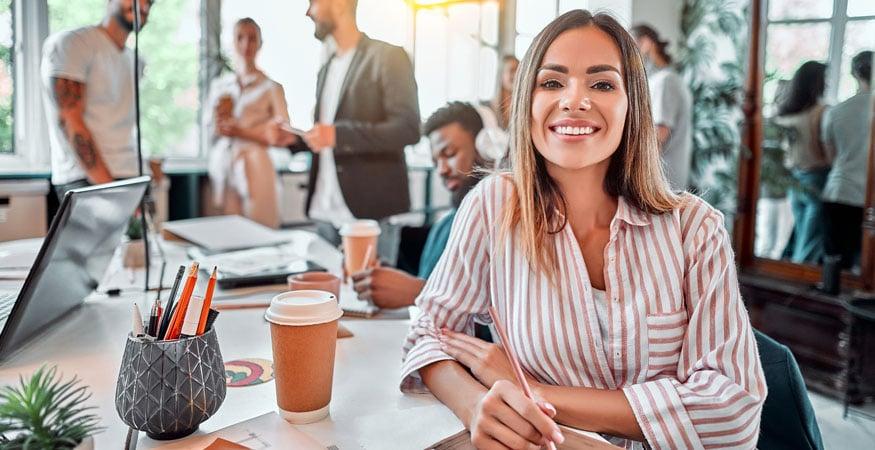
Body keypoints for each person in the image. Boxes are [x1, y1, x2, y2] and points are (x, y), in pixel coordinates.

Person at [400, 10, 766, 450]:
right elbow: (427, 334)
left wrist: (533, 394)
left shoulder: (695, 228)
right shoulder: (495, 205)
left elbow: (733, 413)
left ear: (633, 105)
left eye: (602, 84)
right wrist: (475, 405)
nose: (574, 100)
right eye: (552, 82)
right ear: (527, 104)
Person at [274, 0, 421, 246]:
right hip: (323, 210)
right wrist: (295, 141)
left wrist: (338, 136)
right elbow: (327, 138)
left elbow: (408, 128)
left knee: (371, 286)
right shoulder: (326, 68)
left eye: (313, 3)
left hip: (370, 213)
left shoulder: (388, 57)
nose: (308, 12)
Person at [350, 102, 489, 309]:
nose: (441, 170)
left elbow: (501, 321)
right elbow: (427, 283)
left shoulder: (501, 226)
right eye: (435, 162)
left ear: (484, 148)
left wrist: (419, 292)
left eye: (449, 153)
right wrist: (391, 282)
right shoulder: (444, 226)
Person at [41, 0, 152, 200]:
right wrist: (109, 188)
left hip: (133, 177)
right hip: (88, 180)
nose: (142, 5)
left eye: (149, 2)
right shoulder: (74, 43)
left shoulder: (136, 60)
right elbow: (69, 119)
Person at [205, 18, 289, 229]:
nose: (246, 44)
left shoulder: (272, 88)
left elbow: (283, 135)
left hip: (256, 164)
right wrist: (220, 126)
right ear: (232, 42)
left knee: (261, 229)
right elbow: (209, 130)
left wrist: (241, 131)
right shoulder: (220, 87)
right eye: (240, 38)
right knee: (228, 233)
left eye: (252, 39)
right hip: (225, 165)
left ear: (260, 43)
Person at [821, 51, 873, 269]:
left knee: (835, 265)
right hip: (868, 196)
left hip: (839, 190)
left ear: (854, 73)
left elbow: (830, 156)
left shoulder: (836, 111)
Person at [774, 61, 829, 265]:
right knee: (809, 241)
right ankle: (797, 287)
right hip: (816, 178)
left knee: (801, 234)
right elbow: (826, 151)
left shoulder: (786, 112)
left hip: (795, 179)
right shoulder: (821, 112)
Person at [631, 24, 692, 191]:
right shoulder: (661, 80)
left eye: (632, 48)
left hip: (662, 182)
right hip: (661, 181)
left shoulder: (666, 82)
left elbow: (658, 136)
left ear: (645, 43)